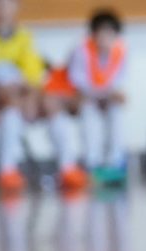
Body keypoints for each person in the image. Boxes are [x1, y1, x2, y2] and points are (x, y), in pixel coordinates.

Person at [43, 9, 128, 188]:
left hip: (102, 98)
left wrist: (108, 95)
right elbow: (77, 83)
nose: (105, 38)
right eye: (101, 33)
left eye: (110, 33)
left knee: (116, 112)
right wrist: (99, 94)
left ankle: (115, 163)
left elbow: (118, 81)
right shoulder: (81, 51)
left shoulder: (121, 51)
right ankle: (92, 164)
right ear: (93, 34)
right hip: (74, 98)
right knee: (89, 115)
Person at [0, 0, 45, 193]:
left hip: (13, 98)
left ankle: (6, 170)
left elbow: (32, 74)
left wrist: (25, 96)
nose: (3, 9)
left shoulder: (24, 36)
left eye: (9, 3)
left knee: (11, 114)